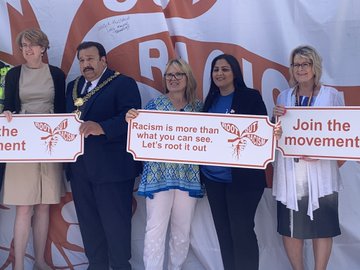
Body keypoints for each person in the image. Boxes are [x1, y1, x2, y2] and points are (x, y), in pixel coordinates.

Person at [65, 41, 141, 270]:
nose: (86, 64)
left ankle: (120, 266)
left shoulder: (123, 83)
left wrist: (103, 127)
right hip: (80, 170)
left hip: (112, 170)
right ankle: (96, 265)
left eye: (90, 59)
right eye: (81, 60)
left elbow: (133, 121)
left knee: (116, 225)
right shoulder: (72, 86)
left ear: (103, 60)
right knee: (89, 225)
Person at [126, 58, 203, 270]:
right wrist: (133, 120)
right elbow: (142, 136)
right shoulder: (154, 106)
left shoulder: (199, 108)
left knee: (182, 231)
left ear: (188, 78)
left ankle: (175, 267)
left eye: (179, 74)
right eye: (169, 75)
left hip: (187, 176)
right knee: (154, 230)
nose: (174, 79)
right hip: (159, 175)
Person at [272, 45, 343, 270]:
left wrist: (323, 152)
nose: (300, 69)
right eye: (296, 64)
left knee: (322, 227)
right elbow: (275, 137)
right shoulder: (284, 97)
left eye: (305, 64)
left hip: (321, 173)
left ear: (315, 66)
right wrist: (275, 125)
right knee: (292, 227)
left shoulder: (330, 95)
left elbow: (343, 133)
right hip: (291, 174)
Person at [2, 28, 66, 270]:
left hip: (50, 143)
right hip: (23, 145)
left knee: (43, 206)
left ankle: (39, 261)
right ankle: (19, 265)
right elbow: (8, 106)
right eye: (23, 45)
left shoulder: (57, 75)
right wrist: (7, 113)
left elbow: (62, 110)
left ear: (43, 48)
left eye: (32, 45)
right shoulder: (14, 74)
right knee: (24, 207)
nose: (27, 49)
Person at [200, 54, 267, 270]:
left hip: (243, 180)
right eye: (216, 69)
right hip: (214, 180)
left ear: (235, 73)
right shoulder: (210, 100)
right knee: (224, 232)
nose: (219, 73)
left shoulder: (250, 97)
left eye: (225, 69)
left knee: (242, 230)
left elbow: (261, 135)